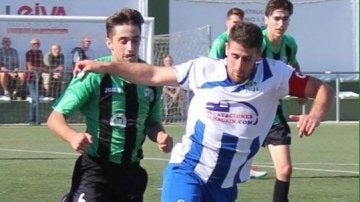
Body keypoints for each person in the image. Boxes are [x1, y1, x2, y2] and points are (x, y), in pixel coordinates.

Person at [73, 22, 334, 201]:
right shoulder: (204, 69)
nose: (239, 65)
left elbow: (321, 89)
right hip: (188, 170)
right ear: (227, 50)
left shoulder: (276, 75)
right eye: (234, 56)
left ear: (259, 55)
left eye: (246, 58)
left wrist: (316, 114)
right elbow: (152, 73)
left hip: (226, 185)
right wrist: (104, 66)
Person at [47, 8, 173, 202]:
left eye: (136, 40)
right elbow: (55, 118)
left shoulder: (150, 79)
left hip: (131, 173)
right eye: (123, 41)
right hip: (96, 169)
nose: (130, 47)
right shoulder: (93, 74)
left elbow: (152, 122)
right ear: (109, 43)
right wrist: (72, 136)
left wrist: (160, 135)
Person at [209, 7, 267, 179]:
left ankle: (242, 165)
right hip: (221, 95)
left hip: (242, 92)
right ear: (227, 23)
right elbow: (212, 68)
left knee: (243, 129)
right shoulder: (220, 43)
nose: (237, 26)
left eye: (240, 23)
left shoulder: (252, 47)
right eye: (234, 23)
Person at [261, 1, 303, 201]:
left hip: (273, 114)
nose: (281, 23)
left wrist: (301, 87)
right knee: (230, 170)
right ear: (266, 19)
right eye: (276, 18)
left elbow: (293, 64)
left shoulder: (289, 43)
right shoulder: (256, 43)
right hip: (246, 112)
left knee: (285, 169)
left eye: (285, 18)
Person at [25, 38, 45, 125]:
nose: (36, 45)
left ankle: (36, 120)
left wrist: (41, 69)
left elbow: (42, 65)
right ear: (31, 45)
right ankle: (32, 120)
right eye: (34, 44)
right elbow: (30, 67)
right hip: (31, 79)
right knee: (34, 99)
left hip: (39, 79)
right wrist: (40, 69)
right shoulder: (29, 53)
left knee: (37, 99)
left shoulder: (40, 53)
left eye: (37, 43)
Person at [0, 37, 25, 101]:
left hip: (13, 71)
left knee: (22, 74)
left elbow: (17, 64)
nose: (7, 43)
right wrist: (10, 73)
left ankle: (16, 91)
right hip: (4, 71)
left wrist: (16, 70)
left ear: (10, 43)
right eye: (5, 42)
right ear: (2, 43)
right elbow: (1, 66)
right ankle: (6, 92)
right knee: (2, 74)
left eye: (8, 42)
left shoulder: (14, 51)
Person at [162, 55, 181, 123]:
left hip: (175, 90)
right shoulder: (162, 71)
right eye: (166, 61)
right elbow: (162, 86)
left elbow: (179, 83)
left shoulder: (175, 70)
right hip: (166, 91)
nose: (168, 62)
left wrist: (176, 93)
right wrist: (171, 94)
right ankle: (166, 119)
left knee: (177, 103)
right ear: (164, 62)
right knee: (167, 105)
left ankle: (177, 118)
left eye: (169, 61)